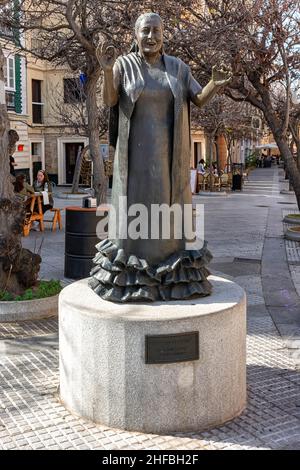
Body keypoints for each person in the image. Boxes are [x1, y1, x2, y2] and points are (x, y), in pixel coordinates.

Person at [90, 12, 232, 302]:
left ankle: (171, 274)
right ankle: (132, 277)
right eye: (145, 31)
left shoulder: (178, 69)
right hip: (133, 159)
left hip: (170, 158)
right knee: (134, 213)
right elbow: (110, 101)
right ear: (135, 34)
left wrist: (215, 84)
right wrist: (106, 70)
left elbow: (199, 98)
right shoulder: (123, 65)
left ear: (164, 34)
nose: (151, 37)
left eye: (156, 31)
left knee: (168, 214)